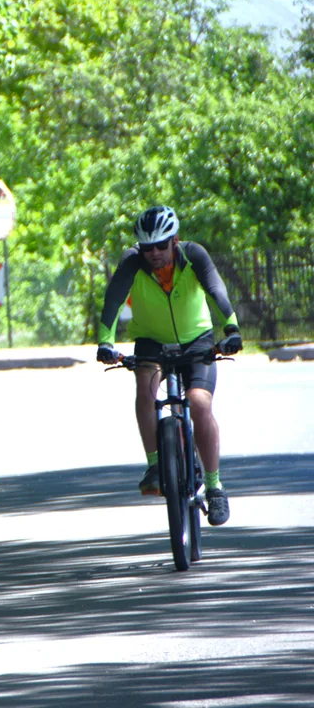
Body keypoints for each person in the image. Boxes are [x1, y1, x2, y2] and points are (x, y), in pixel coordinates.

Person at [96, 206, 243, 527]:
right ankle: (155, 464)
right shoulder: (132, 263)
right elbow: (113, 300)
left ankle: (215, 486)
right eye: (147, 247)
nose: (154, 253)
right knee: (145, 388)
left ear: (174, 240)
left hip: (197, 339)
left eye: (161, 245)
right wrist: (106, 341)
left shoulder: (194, 256)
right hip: (150, 340)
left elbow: (216, 289)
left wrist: (231, 328)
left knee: (199, 402)